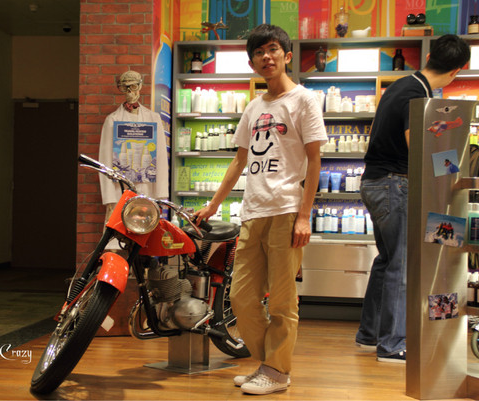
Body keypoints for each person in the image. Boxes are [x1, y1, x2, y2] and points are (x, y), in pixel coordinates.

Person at [194, 24, 327, 395]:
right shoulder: (254, 107)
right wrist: (214, 204)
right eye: (258, 52)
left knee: (282, 301)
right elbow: (239, 160)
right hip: (252, 212)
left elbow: (315, 160)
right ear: (252, 62)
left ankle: (276, 371)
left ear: (286, 55)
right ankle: (271, 365)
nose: (266, 57)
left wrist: (305, 216)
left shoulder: (303, 100)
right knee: (240, 298)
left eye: (272, 49)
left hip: (287, 211)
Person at [355, 34, 470, 363]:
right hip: (395, 184)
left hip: (376, 182)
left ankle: (370, 335)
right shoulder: (417, 95)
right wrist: (450, 170)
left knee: (387, 261)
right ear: (457, 71)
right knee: (401, 265)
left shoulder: (402, 85)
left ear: (429, 57)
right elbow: (416, 144)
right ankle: (392, 345)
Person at [98, 70, 168, 223]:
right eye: (126, 87)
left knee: (147, 231)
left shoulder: (153, 118)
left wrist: (161, 195)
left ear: (140, 86)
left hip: (148, 189)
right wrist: (110, 199)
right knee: (119, 231)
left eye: (134, 86)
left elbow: (161, 158)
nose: (130, 91)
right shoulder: (112, 120)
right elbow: (105, 162)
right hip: (120, 191)